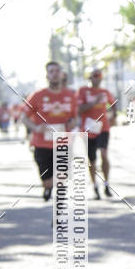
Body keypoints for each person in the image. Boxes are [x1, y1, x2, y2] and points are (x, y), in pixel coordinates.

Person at [22, 61, 78, 201]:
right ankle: (48, 187)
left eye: (57, 71)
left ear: (61, 74)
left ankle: (59, 208)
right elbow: (23, 117)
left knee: (62, 177)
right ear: (47, 75)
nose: (54, 74)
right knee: (47, 181)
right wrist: (36, 128)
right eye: (51, 71)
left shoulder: (70, 96)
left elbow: (75, 117)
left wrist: (72, 123)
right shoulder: (37, 95)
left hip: (63, 142)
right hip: (42, 144)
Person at [77, 66, 116, 199]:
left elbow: (113, 103)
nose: (97, 78)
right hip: (87, 129)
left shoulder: (105, 92)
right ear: (90, 77)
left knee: (104, 154)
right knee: (91, 160)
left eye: (99, 76)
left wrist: (113, 116)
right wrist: (94, 102)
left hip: (103, 127)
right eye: (95, 76)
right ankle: (95, 186)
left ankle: (106, 184)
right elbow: (79, 109)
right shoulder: (83, 91)